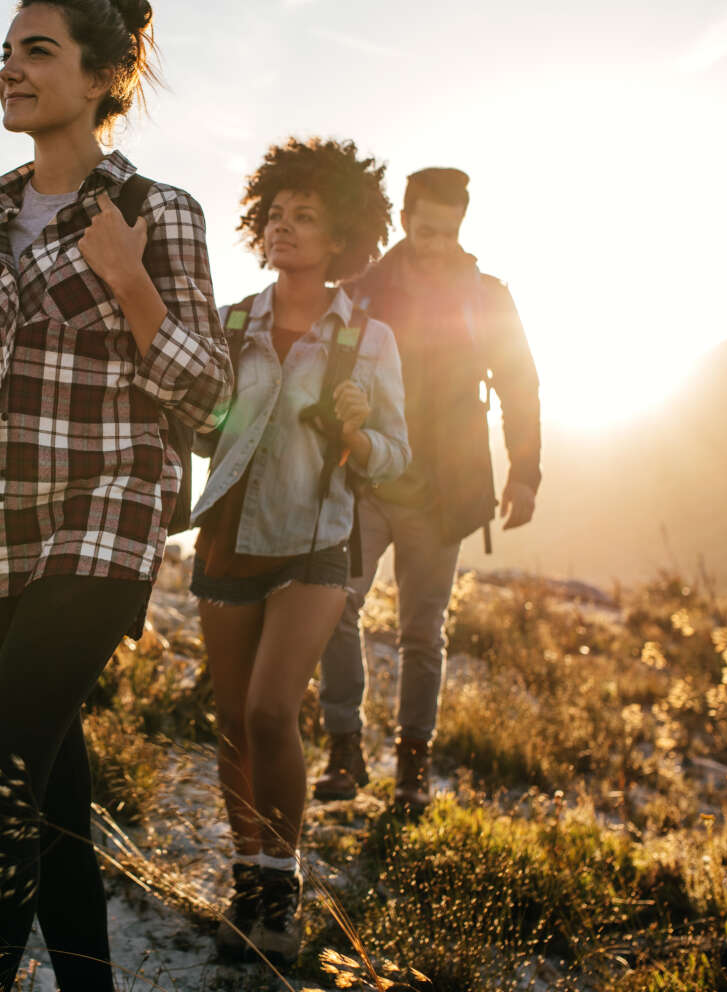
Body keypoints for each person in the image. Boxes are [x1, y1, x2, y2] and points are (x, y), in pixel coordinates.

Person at [0, 0, 232, 992]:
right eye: (7, 49)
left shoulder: (155, 210)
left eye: (40, 50)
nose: (10, 67)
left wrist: (131, 281)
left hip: (107, 514)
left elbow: (210, 393)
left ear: (104, 78)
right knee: (48, 780)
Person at [192, 138, 409, 963]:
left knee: (270, 709)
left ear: (342, 239)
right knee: (228, 719)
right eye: (276, 215)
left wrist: (358, 434)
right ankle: (245, 885)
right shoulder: (232, 323)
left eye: (306, 217)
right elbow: (202, 425)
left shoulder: (370, 340)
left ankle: (280, 900)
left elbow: (399, 454)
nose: (285, 228)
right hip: (226, 537)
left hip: (316, 542)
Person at [313, 166, 542, 811]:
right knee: (334, 607)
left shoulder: (488, 296)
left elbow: (521, 383)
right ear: (407, 217)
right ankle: (343, 748)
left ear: (461, 225)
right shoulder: (363, 291)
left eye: (447, 231)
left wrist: (524, 472)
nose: (435, 242)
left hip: (447, 493)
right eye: (424, 228)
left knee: (422, 632)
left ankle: (412, 768)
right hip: (362, 478)